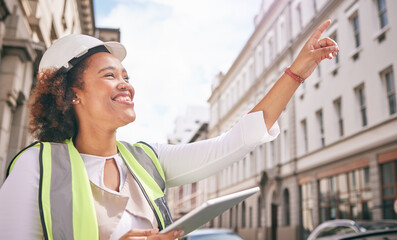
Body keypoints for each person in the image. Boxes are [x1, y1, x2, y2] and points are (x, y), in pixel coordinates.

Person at [0, 19, 338, 240]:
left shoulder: (147, 160)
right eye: (109, 76)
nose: (126, 85)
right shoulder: (36, 168)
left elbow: (236, 142)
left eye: (126, 76)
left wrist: (297, 71)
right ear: (71, 92)